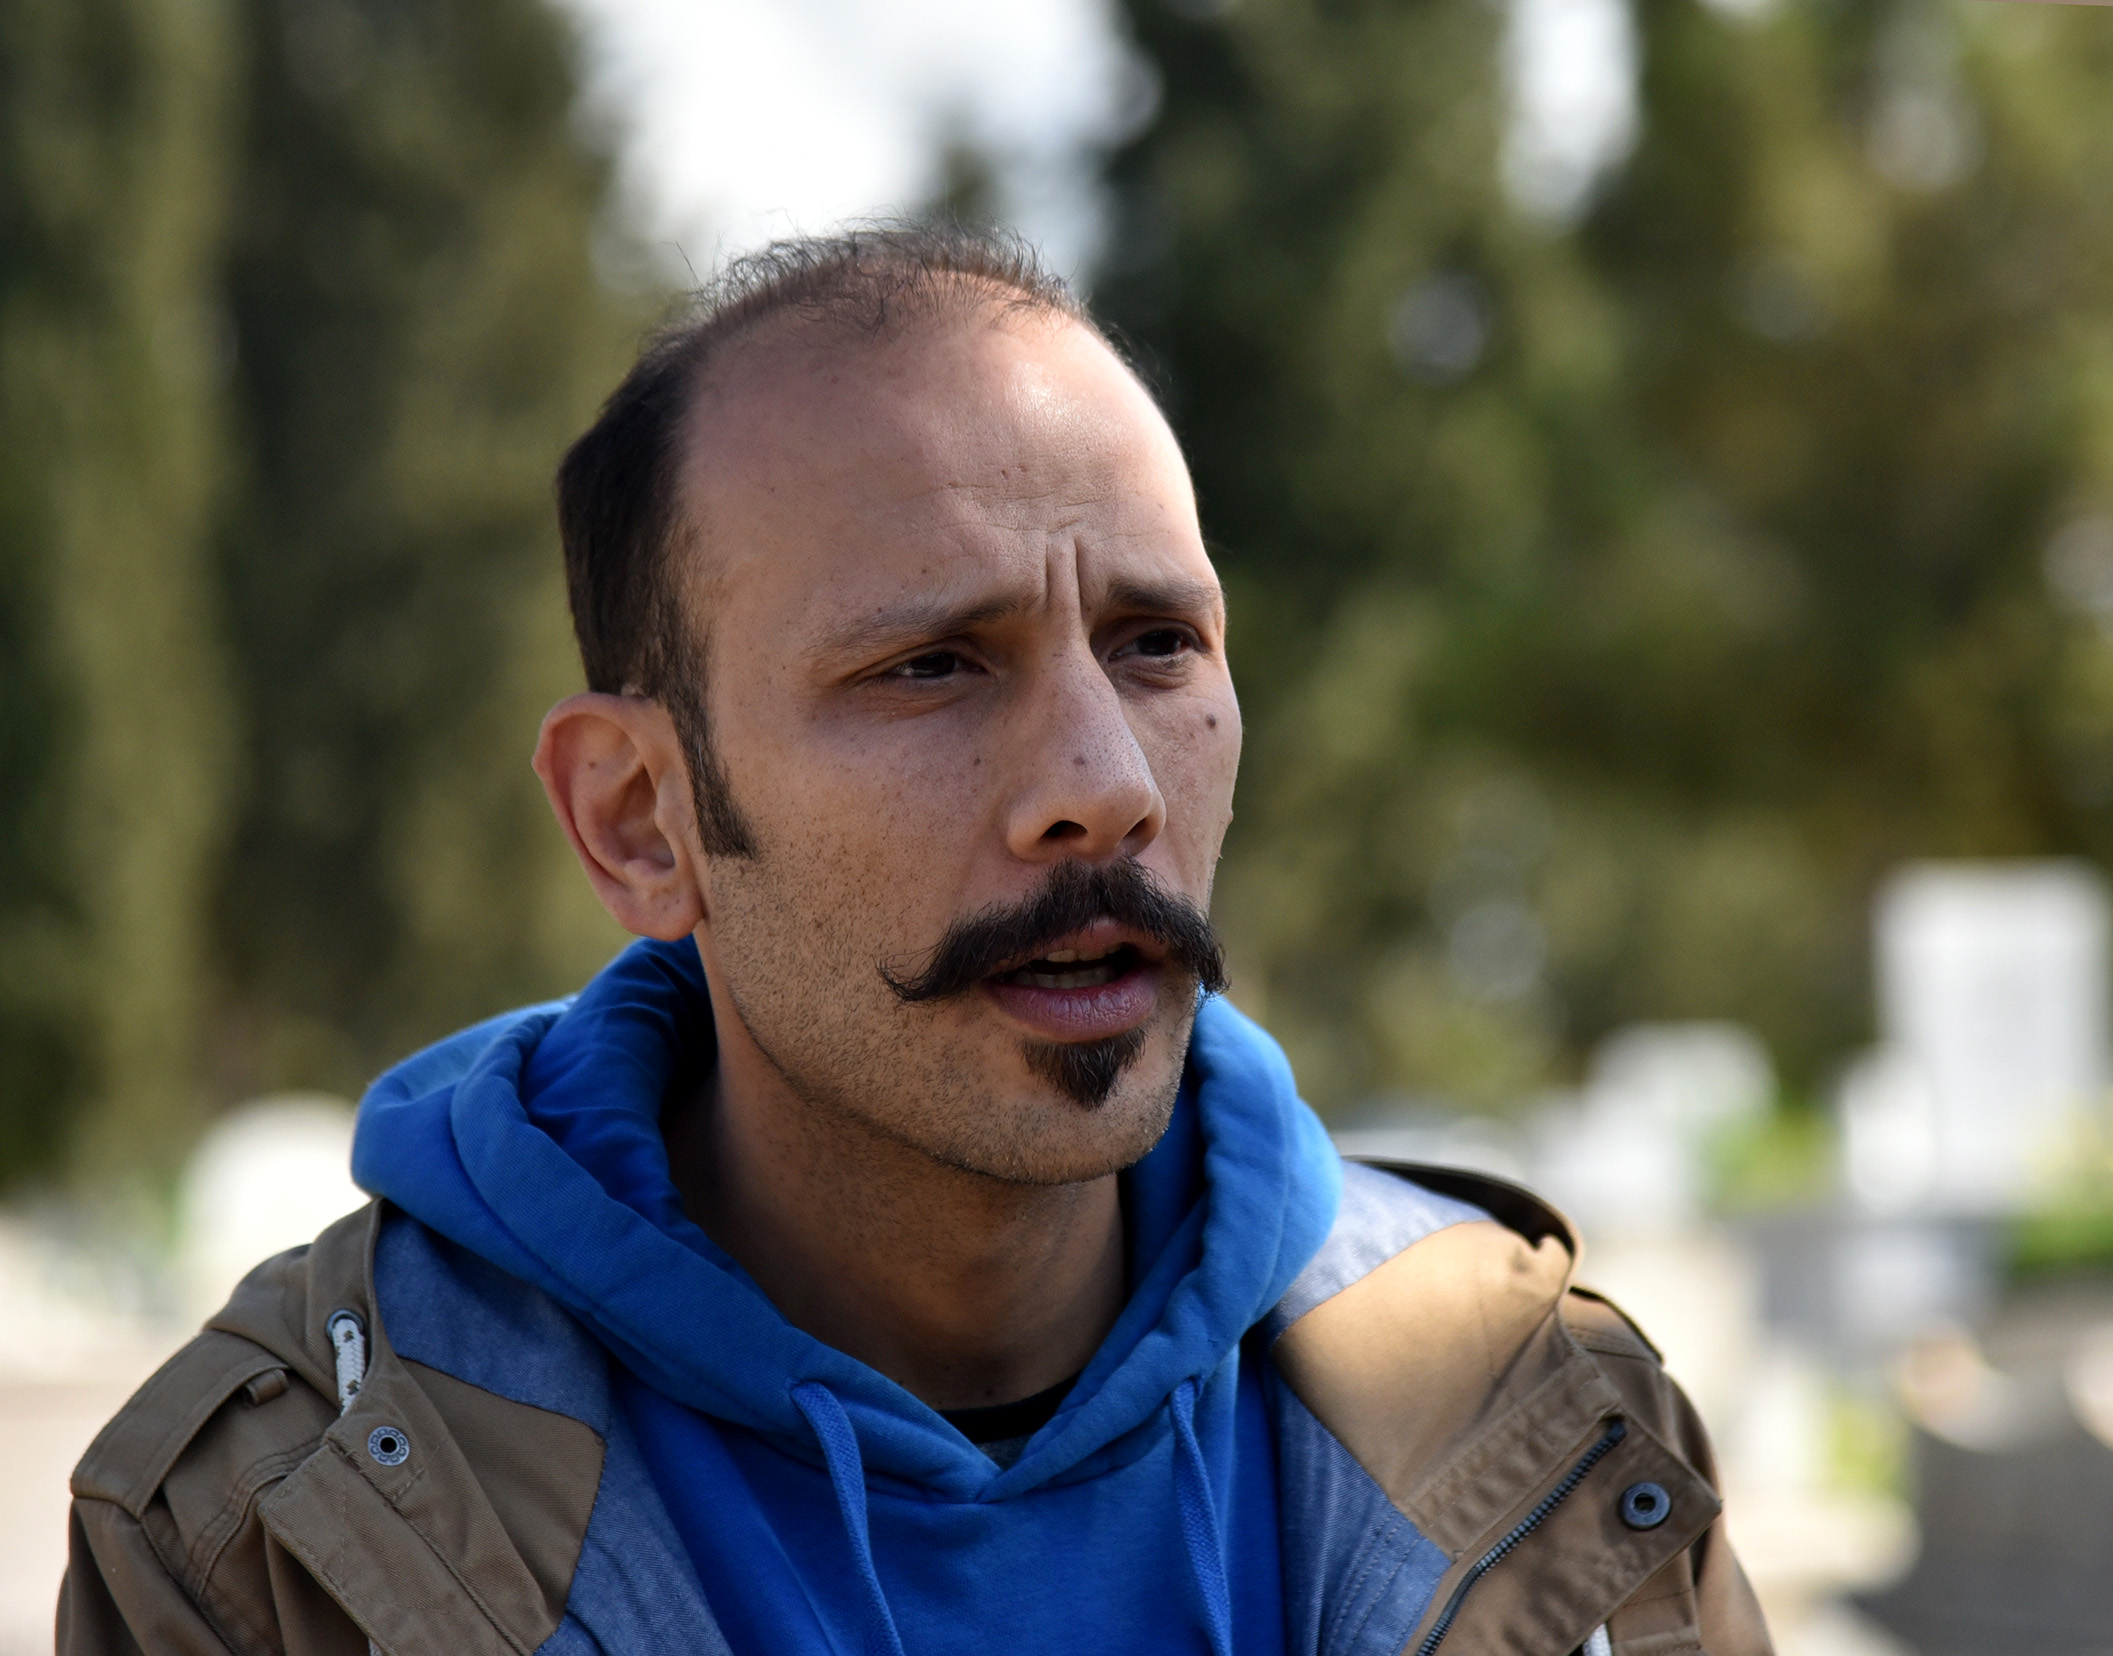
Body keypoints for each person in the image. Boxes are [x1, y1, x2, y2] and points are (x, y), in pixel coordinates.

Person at [59, 225, 1771, 1656]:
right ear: (641, 820)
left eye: (1158, 645)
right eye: (930, 667)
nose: (1105, 788)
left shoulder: (1547, 1423)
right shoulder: (273, 1540)